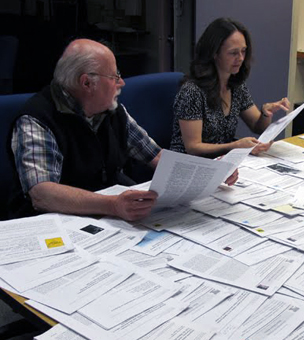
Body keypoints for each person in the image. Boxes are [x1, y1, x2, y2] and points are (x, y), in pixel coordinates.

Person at [8, 39, 237, 222]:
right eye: (115, 76)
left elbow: (156, 156)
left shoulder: (111, 111)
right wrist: (112, 205)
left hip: (110, 216)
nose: (122, 83)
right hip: (60, 223)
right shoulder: (37, 119)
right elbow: (42, 194)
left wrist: (209, 172)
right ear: (87, 83)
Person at [169, 17, 290, 158]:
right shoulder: (192, 91)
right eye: (233, 53)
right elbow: (193, 147)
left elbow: (258, 127)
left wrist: (265, 113)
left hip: (222, 162)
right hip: (189, 165)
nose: (240, 58)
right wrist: (235, 146)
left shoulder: (236, 85)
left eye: (243, 51)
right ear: (214, 54)